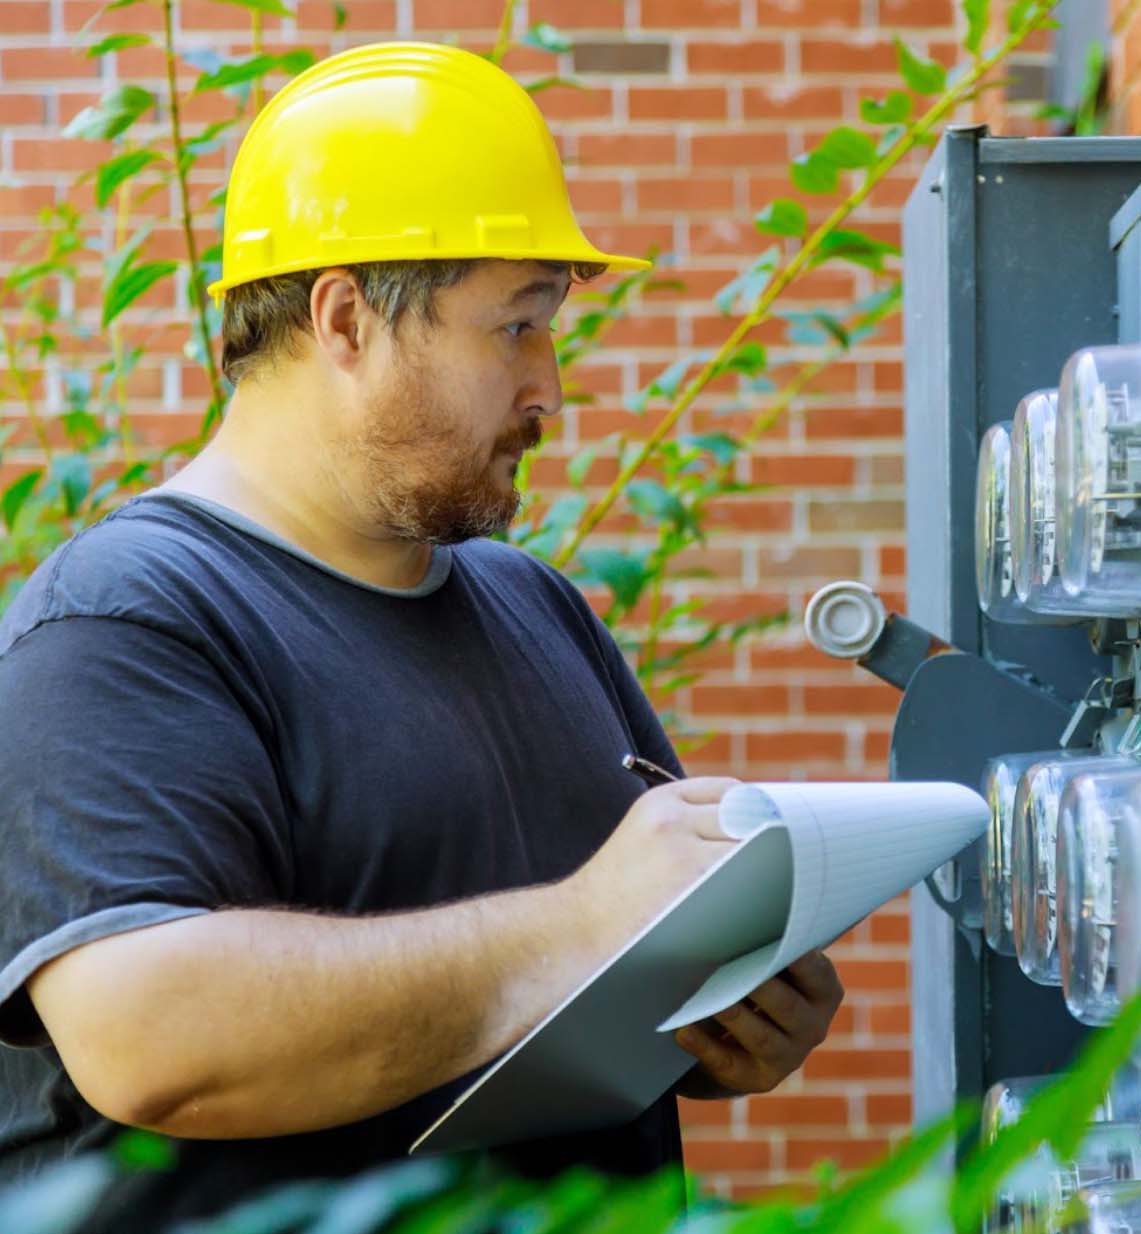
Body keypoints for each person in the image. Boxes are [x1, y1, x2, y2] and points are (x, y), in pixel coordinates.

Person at [0, 40, 843, 1225]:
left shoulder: (534, 604)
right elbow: (150, 1034)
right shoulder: (128, 619)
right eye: (516, 326)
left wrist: (730, 1003)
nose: (550, 391)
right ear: (346, 318)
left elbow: (635, 927)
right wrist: (579, 923)